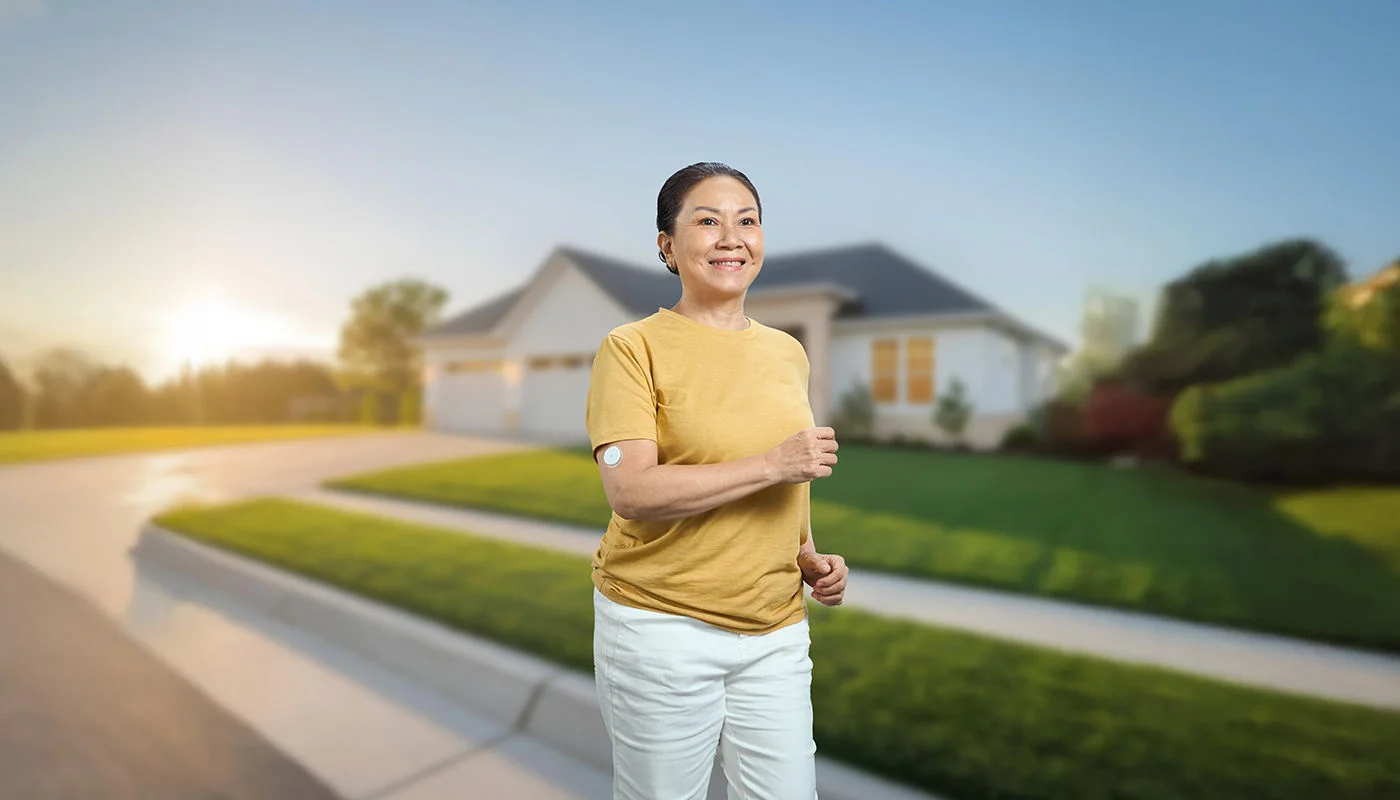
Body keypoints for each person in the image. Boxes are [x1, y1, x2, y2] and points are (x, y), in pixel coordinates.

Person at [586, 161, 849, 800]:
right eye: (707, 221)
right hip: (661, 628)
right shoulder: (631, 347)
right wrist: (772, 465)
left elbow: (793, 476)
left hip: (776, 630)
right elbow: (632, 493)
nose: (732, 237)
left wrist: (809, 556)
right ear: (667, 246)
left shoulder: (788, 351)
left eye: (747, 221)